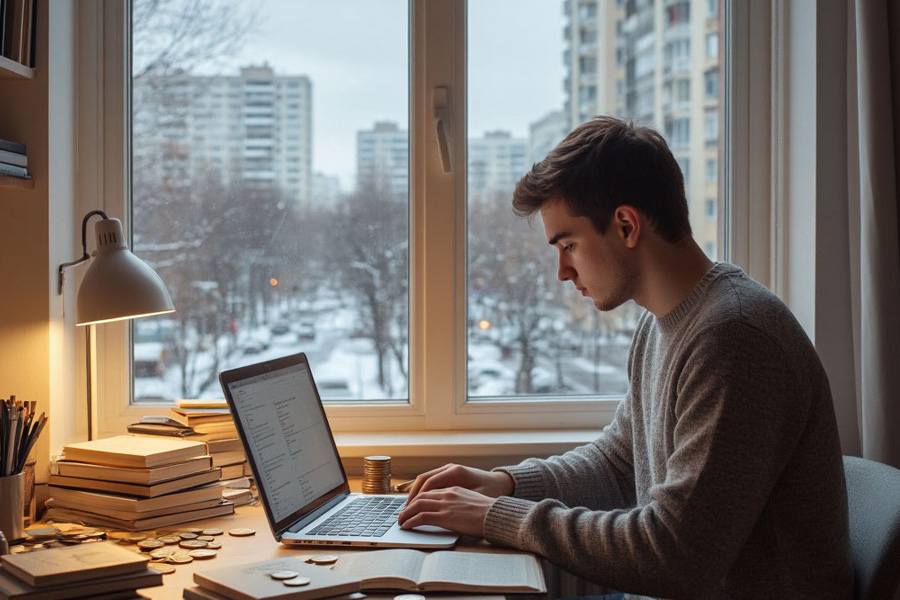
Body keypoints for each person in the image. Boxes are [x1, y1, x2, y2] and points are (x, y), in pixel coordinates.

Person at [397, 116, 852, 599]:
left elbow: (675, 556)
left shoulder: (734, 339)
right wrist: (504, 484)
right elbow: (619, 463)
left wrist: (497, 517)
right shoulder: (663, 324)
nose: (561, 271)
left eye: (568, 245)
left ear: (626, 225)